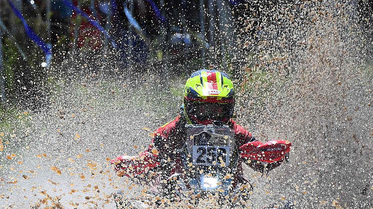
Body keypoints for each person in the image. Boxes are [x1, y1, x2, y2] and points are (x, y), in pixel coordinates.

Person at [110, 70, 290, 191]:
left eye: (218, 111)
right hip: (177, 195)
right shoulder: (170, 132)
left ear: (229, 109)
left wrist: (272, 153)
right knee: (161, 186)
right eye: (203, 111)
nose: (210, 119)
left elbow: (261, 162)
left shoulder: (235, 132)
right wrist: (131, 164)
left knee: (244, 189)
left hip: (228, 195)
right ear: (189, 106)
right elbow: (149, 160)